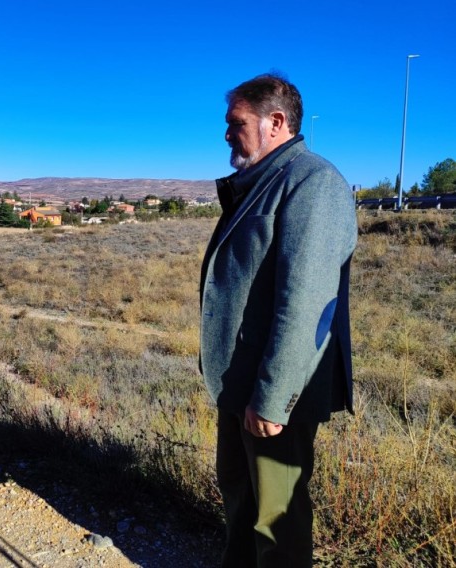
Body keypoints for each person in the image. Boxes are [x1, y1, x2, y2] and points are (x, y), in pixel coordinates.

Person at [199, 74, 357, 567]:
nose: (227, 134)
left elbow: (306, 301)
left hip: (273, 395)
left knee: (277, 521)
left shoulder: (313, 183)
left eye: (236, 123)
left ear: (276, 122)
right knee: (241, 502)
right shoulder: (259, 184)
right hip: (240, 385)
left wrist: (272, 397)